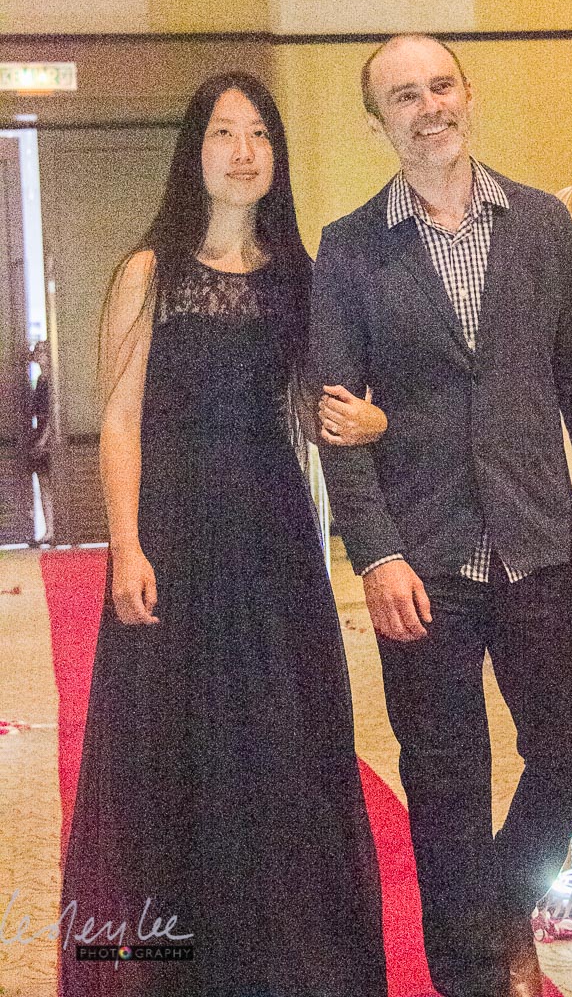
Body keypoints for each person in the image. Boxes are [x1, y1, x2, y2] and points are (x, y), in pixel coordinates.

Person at [310, 34, 572, 997]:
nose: (429, 108)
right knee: (445, 780)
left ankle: (494, 909)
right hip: (422, 559)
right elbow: (337, 419)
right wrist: (375, 555)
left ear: (468, 93)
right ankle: (471, 979)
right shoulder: (351, 246)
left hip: (539, 541)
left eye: (440, 85)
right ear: (377, 121)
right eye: (403, 96)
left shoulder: (540, 223)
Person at [61, 73, 389, 995]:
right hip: (173, 526)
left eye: (259, 134)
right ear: (194, 151)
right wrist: (126, 545)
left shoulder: (298, 278)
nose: (243, 152)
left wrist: (373, 421)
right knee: (171, 739)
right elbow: (120, 419)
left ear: (276, 155)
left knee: (280, 735)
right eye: (222, 133)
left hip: (272, 528)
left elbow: (329, 404)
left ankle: (281, 958)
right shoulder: (149, 272)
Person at [27, 340, 54, 544]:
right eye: (38, 352)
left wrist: (44, 438)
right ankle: (49, 529)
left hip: (50, 435)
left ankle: (55, 528)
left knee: (53, 483)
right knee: (44, 483)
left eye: (43, 352)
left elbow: (53, 413)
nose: (39, 356)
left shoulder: (53, 380)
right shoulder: (40, 379)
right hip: (40, 432)